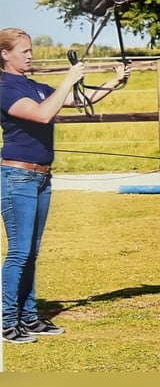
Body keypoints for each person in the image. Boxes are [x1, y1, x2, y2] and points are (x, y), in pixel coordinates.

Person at [1, 28, 130, 344]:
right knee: (19, 252)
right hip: (17, 177)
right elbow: (43, 115)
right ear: (4, 54)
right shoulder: (5, 88)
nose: (30, 55)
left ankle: (29, 318)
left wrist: (114, 82)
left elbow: (76, 101)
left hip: (41, 177)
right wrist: (67, 79)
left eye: (31, 49)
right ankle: (6, 322)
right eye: (24, 50)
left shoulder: (34, 86)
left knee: (31, 252)